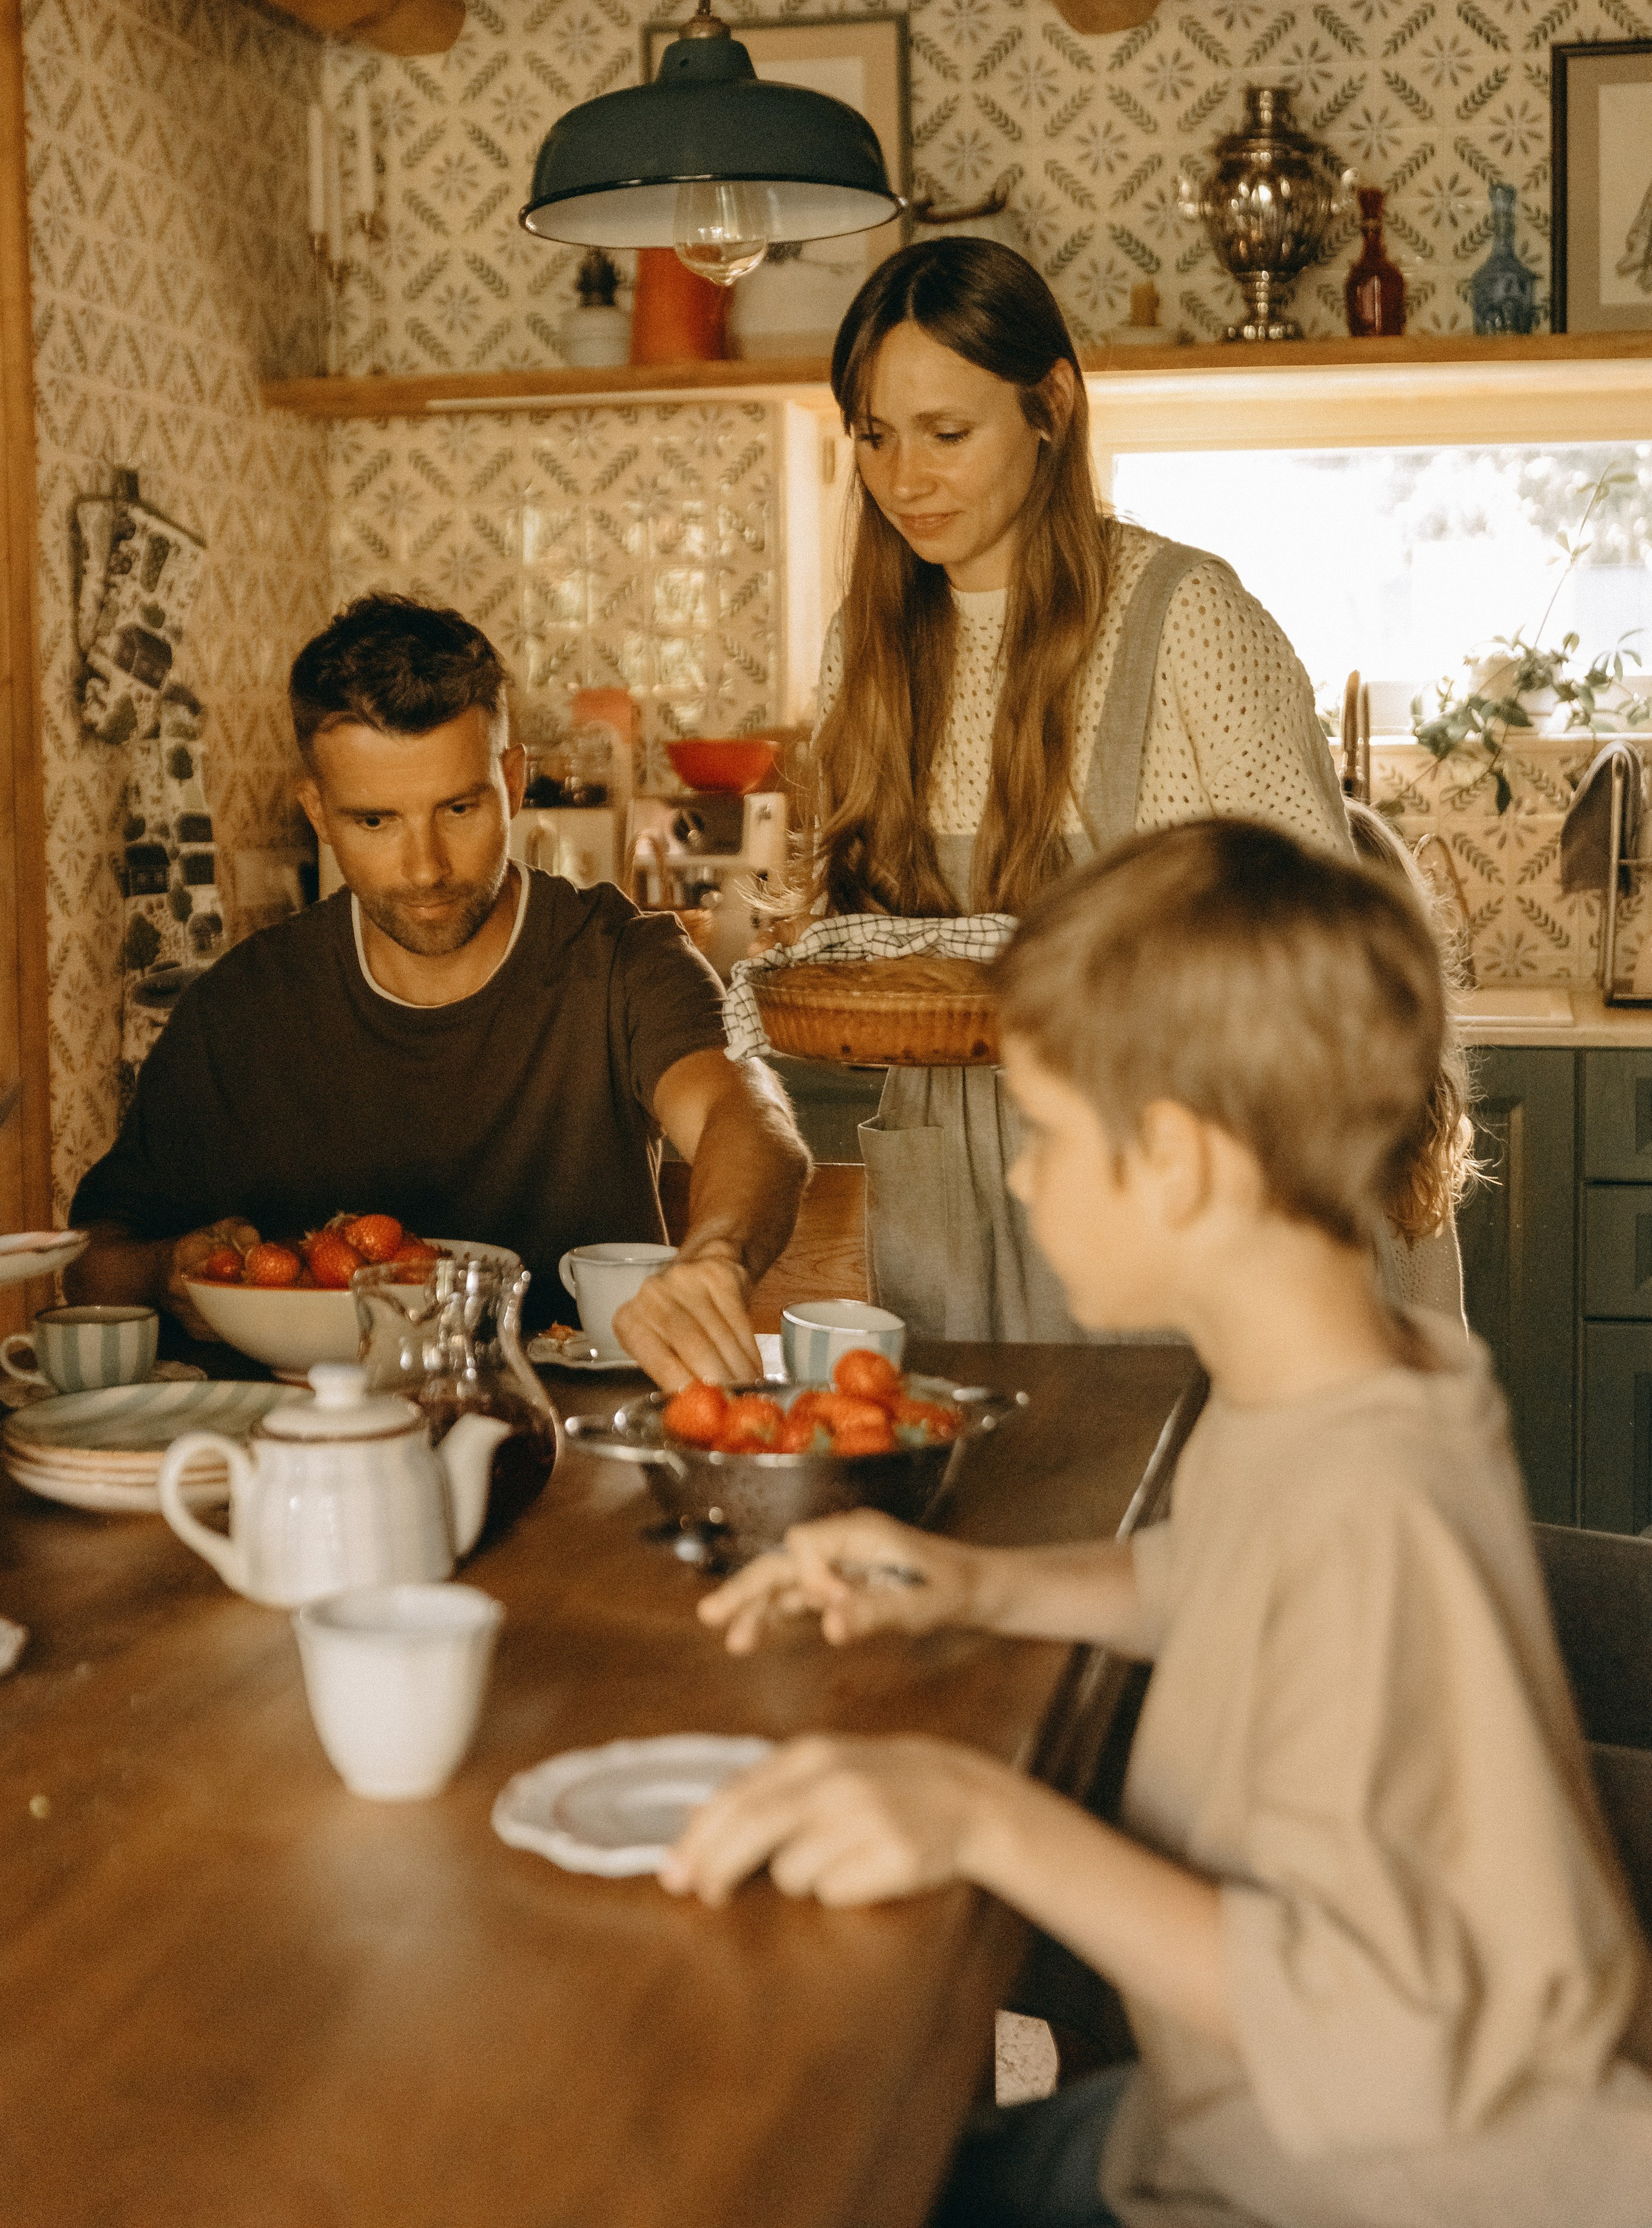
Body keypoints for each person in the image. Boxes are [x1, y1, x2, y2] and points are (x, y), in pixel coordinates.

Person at [665, 819, 1652, 2228]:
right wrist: (974, 1585)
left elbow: (1380, 2033)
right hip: (1225, 2130)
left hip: (1361, 2190)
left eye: (1047, 1136)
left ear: (1177, 1161)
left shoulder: (1367, 1513)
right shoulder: (1342, 1381)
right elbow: (1224, 1576)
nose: (1018, 1178)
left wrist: (983, 1820)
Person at [809, 237, 1359, 1341]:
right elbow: (875, 944)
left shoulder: (1187, 619)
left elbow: (1327, 951)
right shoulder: (864, 649)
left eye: (947, 434)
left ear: (1050, 405)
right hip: (951, 1192)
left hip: (1164, 1185)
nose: (903, 480)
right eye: (874, 437)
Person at [66, 594, 808, 1390]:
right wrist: (163, 1273)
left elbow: (746, 1114)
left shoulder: (620, 956)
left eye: (458, 808)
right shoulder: (240, 1007)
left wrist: (717, 1254)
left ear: (513, 782)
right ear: (318, 811)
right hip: (319, 1459)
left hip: (577, 1444)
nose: (424, 869)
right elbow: (94, 1266)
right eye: (375, 821)